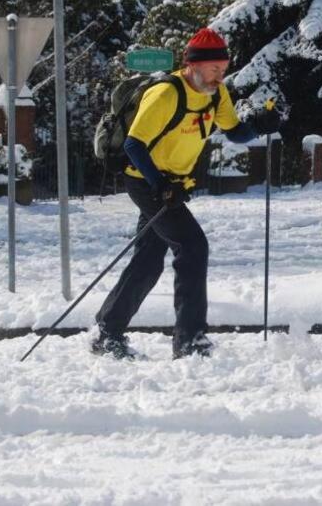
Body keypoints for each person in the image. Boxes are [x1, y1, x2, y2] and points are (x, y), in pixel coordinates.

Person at [92, 27, 280, 360]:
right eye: (213, 69)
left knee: (148, 261)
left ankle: (107, 333)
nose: (220, 75)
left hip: (174, 185)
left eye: (223, 69)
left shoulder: (216, 93)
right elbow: (135, 145)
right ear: (192, 65)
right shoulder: (165, 94)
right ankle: (190, 340)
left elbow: (234, 132)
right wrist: (161, 185)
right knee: (193, 247)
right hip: (147, 181)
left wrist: (259, 124)